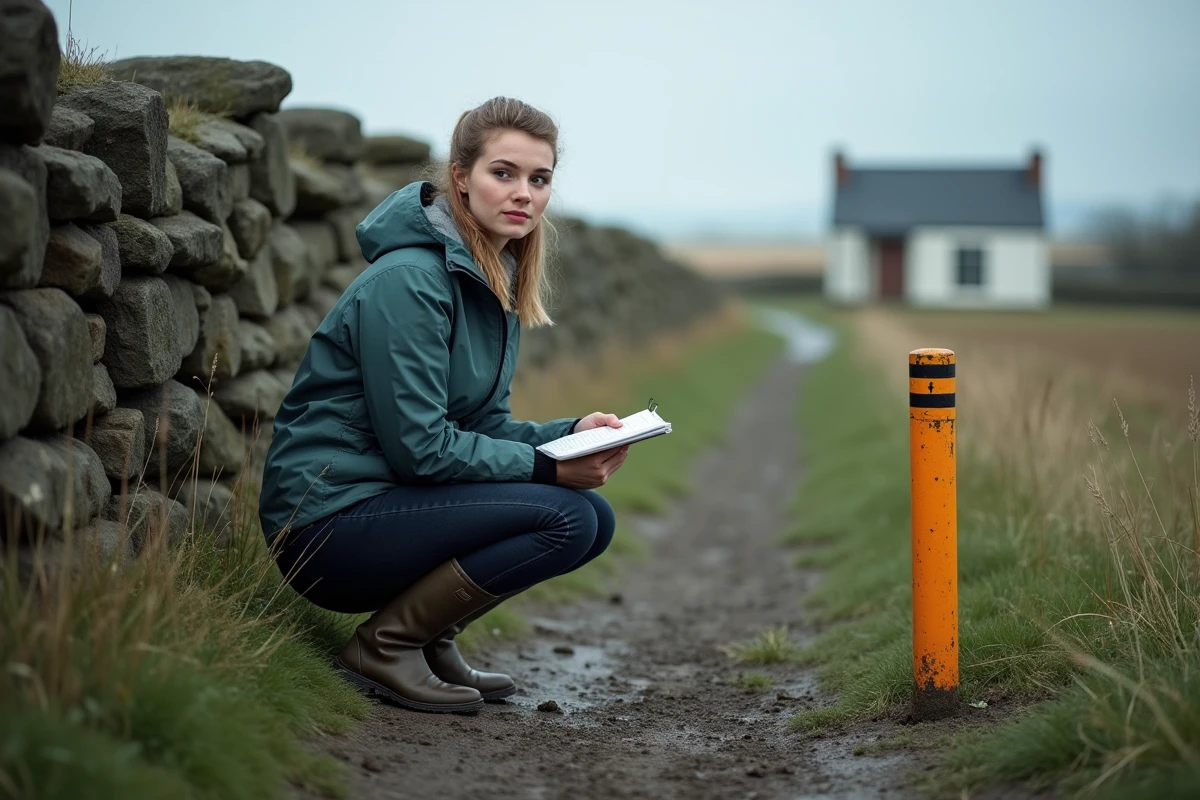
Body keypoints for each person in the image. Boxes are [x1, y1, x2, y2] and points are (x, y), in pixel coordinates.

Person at [258, 97, 629, 714]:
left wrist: (570, 435)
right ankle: (385, 646)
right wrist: (548, 468)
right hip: (326, 525)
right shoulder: (410, 282)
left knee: (595, 518)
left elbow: (482, 424)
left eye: (539, 179)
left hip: (389, 503)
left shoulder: (490, 276)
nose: (524, 194)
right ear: (460, 177)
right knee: (569, 516)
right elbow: (422, 449)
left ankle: (430, 638)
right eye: (503, 173)